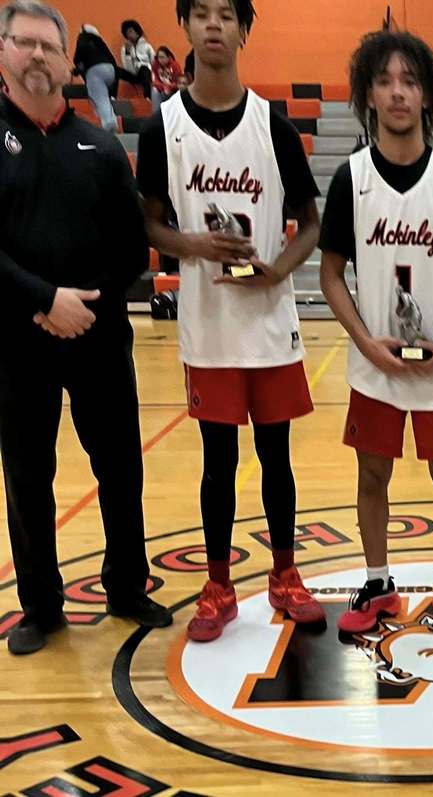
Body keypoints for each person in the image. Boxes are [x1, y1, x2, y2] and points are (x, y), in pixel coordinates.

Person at [137, 0, 325, 642]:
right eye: (202, 13)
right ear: (185, 26)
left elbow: (313, 220)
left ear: (244, 29)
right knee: (217, 462)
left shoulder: (272, 124)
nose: (214, 25)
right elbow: (150, 221)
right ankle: (218, 585)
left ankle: (285, 575)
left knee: (277, 458)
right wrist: (190, 245)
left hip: (270, 322)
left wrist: (280, 268)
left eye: (227, 14)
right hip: (208, 325)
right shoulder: (162, 126)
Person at [0, 1, 172, 655]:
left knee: (121, 467)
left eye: (49, 45)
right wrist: (45, 299)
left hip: (99, 340)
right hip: (17, 341)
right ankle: (41, 607)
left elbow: (132, 250)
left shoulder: (99, 147)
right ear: (4, 52)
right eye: (24, 43)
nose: (37, 55)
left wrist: (82, 305)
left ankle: (127, 586)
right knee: (26, 475)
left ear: (68, 60)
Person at [319, 30, 433, 634]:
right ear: (368, 95)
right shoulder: (351, 179)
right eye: (385, 81)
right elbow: (329, 274)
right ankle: (376, 583)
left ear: (426, 97)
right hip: (376, 364)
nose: (398, 92)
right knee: (373, 473)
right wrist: (366, 341)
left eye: (410, 81)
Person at [71, 24, 117, 131]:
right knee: (104, 97)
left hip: (95, 71)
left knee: (99, 99)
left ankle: (108, 125)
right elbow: (111, 58)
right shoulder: (99, 40)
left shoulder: (82, 39)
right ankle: (110, 120)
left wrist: (77, 69)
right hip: (110, 70)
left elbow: (78, 59)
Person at [118, 18, 158, 110]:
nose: (130, 35)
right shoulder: (125, 49)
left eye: (131, 31)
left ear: (137, 31)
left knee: (144, 68)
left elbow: (154, 62)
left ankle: (147, 97)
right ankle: (111, 96)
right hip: (133, 74)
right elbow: (127, 68)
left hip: (146, 73)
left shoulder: (146, 46)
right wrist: (128, 54)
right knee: (114, 70)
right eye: (127, 33)